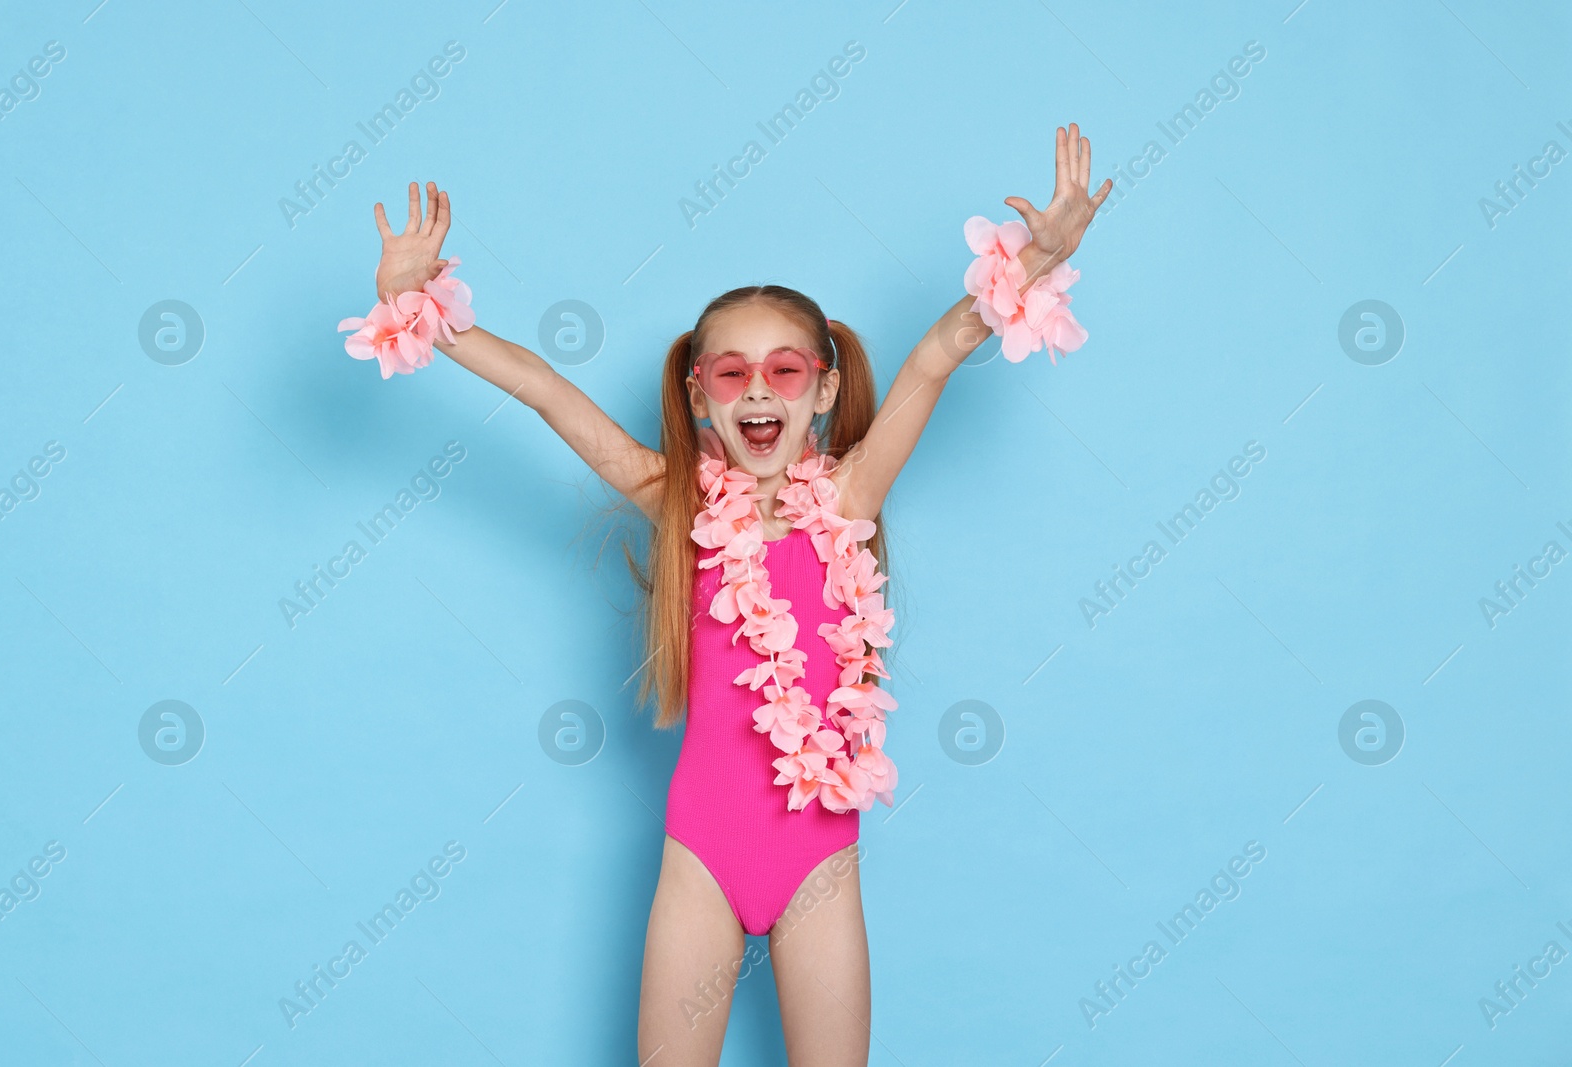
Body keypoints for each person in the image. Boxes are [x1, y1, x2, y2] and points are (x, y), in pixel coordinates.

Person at [355, 123, 1110, 1067]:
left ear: (824, 389)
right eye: (732, 373)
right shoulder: (675, 502)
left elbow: (932, 360)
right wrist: (421, 308)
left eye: (786, 371)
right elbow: (548, 392)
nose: (760, 392)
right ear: (699, 392)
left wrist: (1030, 264)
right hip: (698, 857)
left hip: (820, 868)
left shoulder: (848, 495)